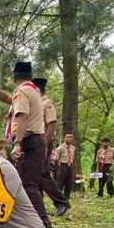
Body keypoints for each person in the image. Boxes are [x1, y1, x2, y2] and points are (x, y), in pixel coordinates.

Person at [0, 62, 55, 228]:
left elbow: (21, 116)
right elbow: (8, 99)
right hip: (36, 140)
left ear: (15, 76)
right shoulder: (33, 90)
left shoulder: (22, 91)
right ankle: (26, 219)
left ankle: (44, 225)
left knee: (27, 184)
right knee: (25, 182)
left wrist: (18, 142)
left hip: (28, 141)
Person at [32, 77, 70, 217]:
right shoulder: (36, 103)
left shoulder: (46, 103)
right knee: (35, 174)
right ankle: (38, 204)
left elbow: (52, 124)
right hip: (36, 142)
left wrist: (44, 143)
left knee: (42, 172)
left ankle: (61, 202)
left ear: (38, 89)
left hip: (43, 142)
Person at [53, 133, 76, 199]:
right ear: (64, 138)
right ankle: (58, 197)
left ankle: (67, 196)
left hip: (70, 166)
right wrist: (58, 168)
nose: (69, 139)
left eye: (71, 137)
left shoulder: (73, 148)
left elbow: (72, 158)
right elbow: (56, 159)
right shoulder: (60, 148)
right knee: (60, 182)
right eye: (68, 137)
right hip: (63, 166)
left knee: (69, 182)